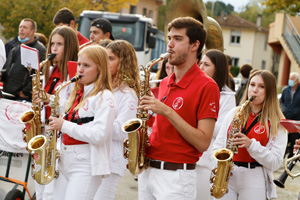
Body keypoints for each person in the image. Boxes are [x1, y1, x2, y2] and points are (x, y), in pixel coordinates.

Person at [137, 17, 220, 199]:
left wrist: (166, 110)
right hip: (148, 172)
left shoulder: (208, 86)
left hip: (176, 178)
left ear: (194, 45)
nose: (170, 45)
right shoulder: (166, 81)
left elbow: (203, 142)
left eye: (178, 39)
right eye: (169, 38)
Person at [48, 45, 117, 200]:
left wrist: (64, 125)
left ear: (100, 69)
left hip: (85, 165)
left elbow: (99, 135)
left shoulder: (104, 97)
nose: (80, 70)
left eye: (86, 66)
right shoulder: (78, 94)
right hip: (65, 161)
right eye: (79, 64)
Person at [212, 70, 287, 200]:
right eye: (252, 85)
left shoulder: (277, 122)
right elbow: (217, 146)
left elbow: (275, 162)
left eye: (261, 87)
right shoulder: (234, 113)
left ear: (270, 91)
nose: (254, 90)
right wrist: (219, 167)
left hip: (255, 177)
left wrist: (251, 145)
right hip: (229, 175)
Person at [32, 25, 79, 200]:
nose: (54, 49)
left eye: (59, 44)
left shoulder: (73, 73)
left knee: (52, 190)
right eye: (52, 44)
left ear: (70, 47)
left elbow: (69, 105)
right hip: (45, 130)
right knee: (41, 186)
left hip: (59, 136)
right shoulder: (50, 70)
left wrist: (47, 98)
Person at [94, 40, 140, 199]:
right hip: (95, 156)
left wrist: (94, 123)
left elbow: (123, 130)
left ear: (124, 63)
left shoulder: (128, 95)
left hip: (111, 161)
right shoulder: (101, 88)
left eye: (111, 58)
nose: (105, 63)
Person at [197, 49, 236, 199]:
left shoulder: (228, 96)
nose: (201, 67)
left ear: (217, 69)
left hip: (206, 160)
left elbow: (223, 130)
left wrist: (201, 120)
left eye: (206, 64)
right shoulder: (196, 88)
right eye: (200, 63)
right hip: (187, 157)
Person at [0, 18, 46, 101]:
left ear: (33, 31)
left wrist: (25, 92)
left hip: (21, 98)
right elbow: (9, 69)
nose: (21, 29)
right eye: (20, 27)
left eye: (25, 27)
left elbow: (40, 74)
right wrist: (2, 74)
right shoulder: (16, 46)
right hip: (8, 95)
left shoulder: (39, 50)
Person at [280, 72, 300, 158]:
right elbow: (281, 102)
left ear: (297, 81)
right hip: (286, 120)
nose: (290, 81)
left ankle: (291, 159)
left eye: (292, 79)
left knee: (294, 141)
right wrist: (282, 110)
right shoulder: (285, 90)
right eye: (290, 79)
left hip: (296, 120)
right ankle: (282, 157)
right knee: (283, 140)